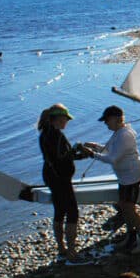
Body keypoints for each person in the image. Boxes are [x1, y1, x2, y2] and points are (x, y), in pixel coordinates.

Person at [84, 105, 140, 254]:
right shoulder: (118, 132)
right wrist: (95, 147)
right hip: (125, 176)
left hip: (132, 176)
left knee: (129, 210)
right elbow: (112, 150)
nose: (106, 123)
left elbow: (113, 159)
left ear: (117, 119)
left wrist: (91, 154)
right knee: (124, 208)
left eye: (107, 120)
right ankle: (130, 238)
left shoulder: (125, 135)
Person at [37, 103, 90, 265]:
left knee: (59, 211)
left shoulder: (45, 133)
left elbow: (58, 156)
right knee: (72, 212)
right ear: (58, 119)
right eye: (65, 119)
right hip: (60, 178)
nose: (67, 122)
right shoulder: (57, 136)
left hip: (50, 176)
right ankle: (72, 254)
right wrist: (80, 152)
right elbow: (63, 158)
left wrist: (77, 154)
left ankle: (62, 249)